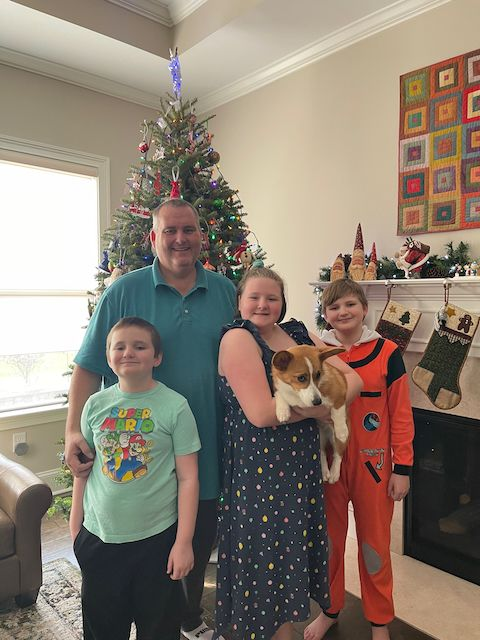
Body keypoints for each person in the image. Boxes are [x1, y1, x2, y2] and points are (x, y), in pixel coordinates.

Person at [65, 198, 236, 640]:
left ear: (202, 235)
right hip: (138, 459)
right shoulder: (122, 291)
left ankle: (185, 615)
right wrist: (71, 432)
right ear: (153, 237)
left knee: (193, 545)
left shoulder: (225, 291)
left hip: (206, 455)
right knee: (124, 568)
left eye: (189, 230)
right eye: (169, 231)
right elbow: (87, 365)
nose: (180, 239)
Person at [213, 267, 363, 640]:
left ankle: (282, 629)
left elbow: (354, 379)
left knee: (289, 552)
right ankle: (275, 633)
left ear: (283, 303)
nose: (263, 304)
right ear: (240, 302)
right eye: (255, 297)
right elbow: (262, 414)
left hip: (299, 466)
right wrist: (324, 406)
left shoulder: (297, 334)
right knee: (265, 559)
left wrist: (320, 402)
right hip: (259, 470)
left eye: (272, 298)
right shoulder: (238, 338)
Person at [70, 316, 200, 640]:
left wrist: (183, 543)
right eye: (120, 346)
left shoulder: (175, 407)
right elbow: (83, 469)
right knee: (103, 630)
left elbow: (188, 479)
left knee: (158, 629)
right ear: (108, 355)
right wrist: (76, 527)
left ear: (156, 357)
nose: (128, 352)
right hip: (99, 540)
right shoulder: (95, 405)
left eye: (139, 346)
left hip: (156, 543)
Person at [304, 278, 414, 640]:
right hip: (328, 463)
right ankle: (331, 609)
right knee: (330, 544)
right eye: (334, 307)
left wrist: (403, 468)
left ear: (364, 308)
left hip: (374, 465)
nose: (343, 312)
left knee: (374, 546)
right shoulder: (315, 351)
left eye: (350, 304)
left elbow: (400, 414)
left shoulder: (388, 353)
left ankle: (379, 620)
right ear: (326, 314)